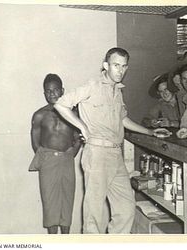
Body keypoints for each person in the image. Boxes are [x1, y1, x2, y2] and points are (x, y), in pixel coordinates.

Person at [54, 47, 169, 233]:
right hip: (97, 153)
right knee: (94, 215)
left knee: (126, 209)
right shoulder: (93, 86)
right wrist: (82, 126)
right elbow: (61, 104)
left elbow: (123, 120)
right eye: (116, 65)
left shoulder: (117, 90)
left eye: (124, 66)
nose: (120, 70)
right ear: (106, 65)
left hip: (116, 154)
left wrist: (150, 132)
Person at [29, 73, 82, 234]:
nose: (51, 94)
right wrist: (47, 159)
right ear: (44, 93)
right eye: (48, 91)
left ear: (62, 90)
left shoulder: (73, 114)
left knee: (67, 201)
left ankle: (65, 240)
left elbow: (78, 138)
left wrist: (71, 153)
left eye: (55, 90)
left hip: (67, 160)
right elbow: (35, 142)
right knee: (50, 203)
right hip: (48, 162)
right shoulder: (40, 115)